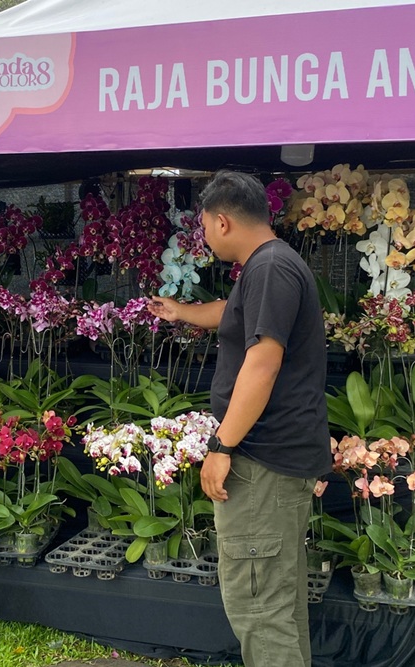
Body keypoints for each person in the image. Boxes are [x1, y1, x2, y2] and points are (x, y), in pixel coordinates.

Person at [149, 170, 331, 667]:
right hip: (279, 462)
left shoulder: (270, 268)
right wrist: (180, 311)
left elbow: (263, 363)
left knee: (260, 610)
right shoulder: (270, 265)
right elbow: (231, 313)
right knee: (278, 605)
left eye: (205, 226)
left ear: (222, 222)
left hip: (262, 462)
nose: (205, 236)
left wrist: (222, 446)